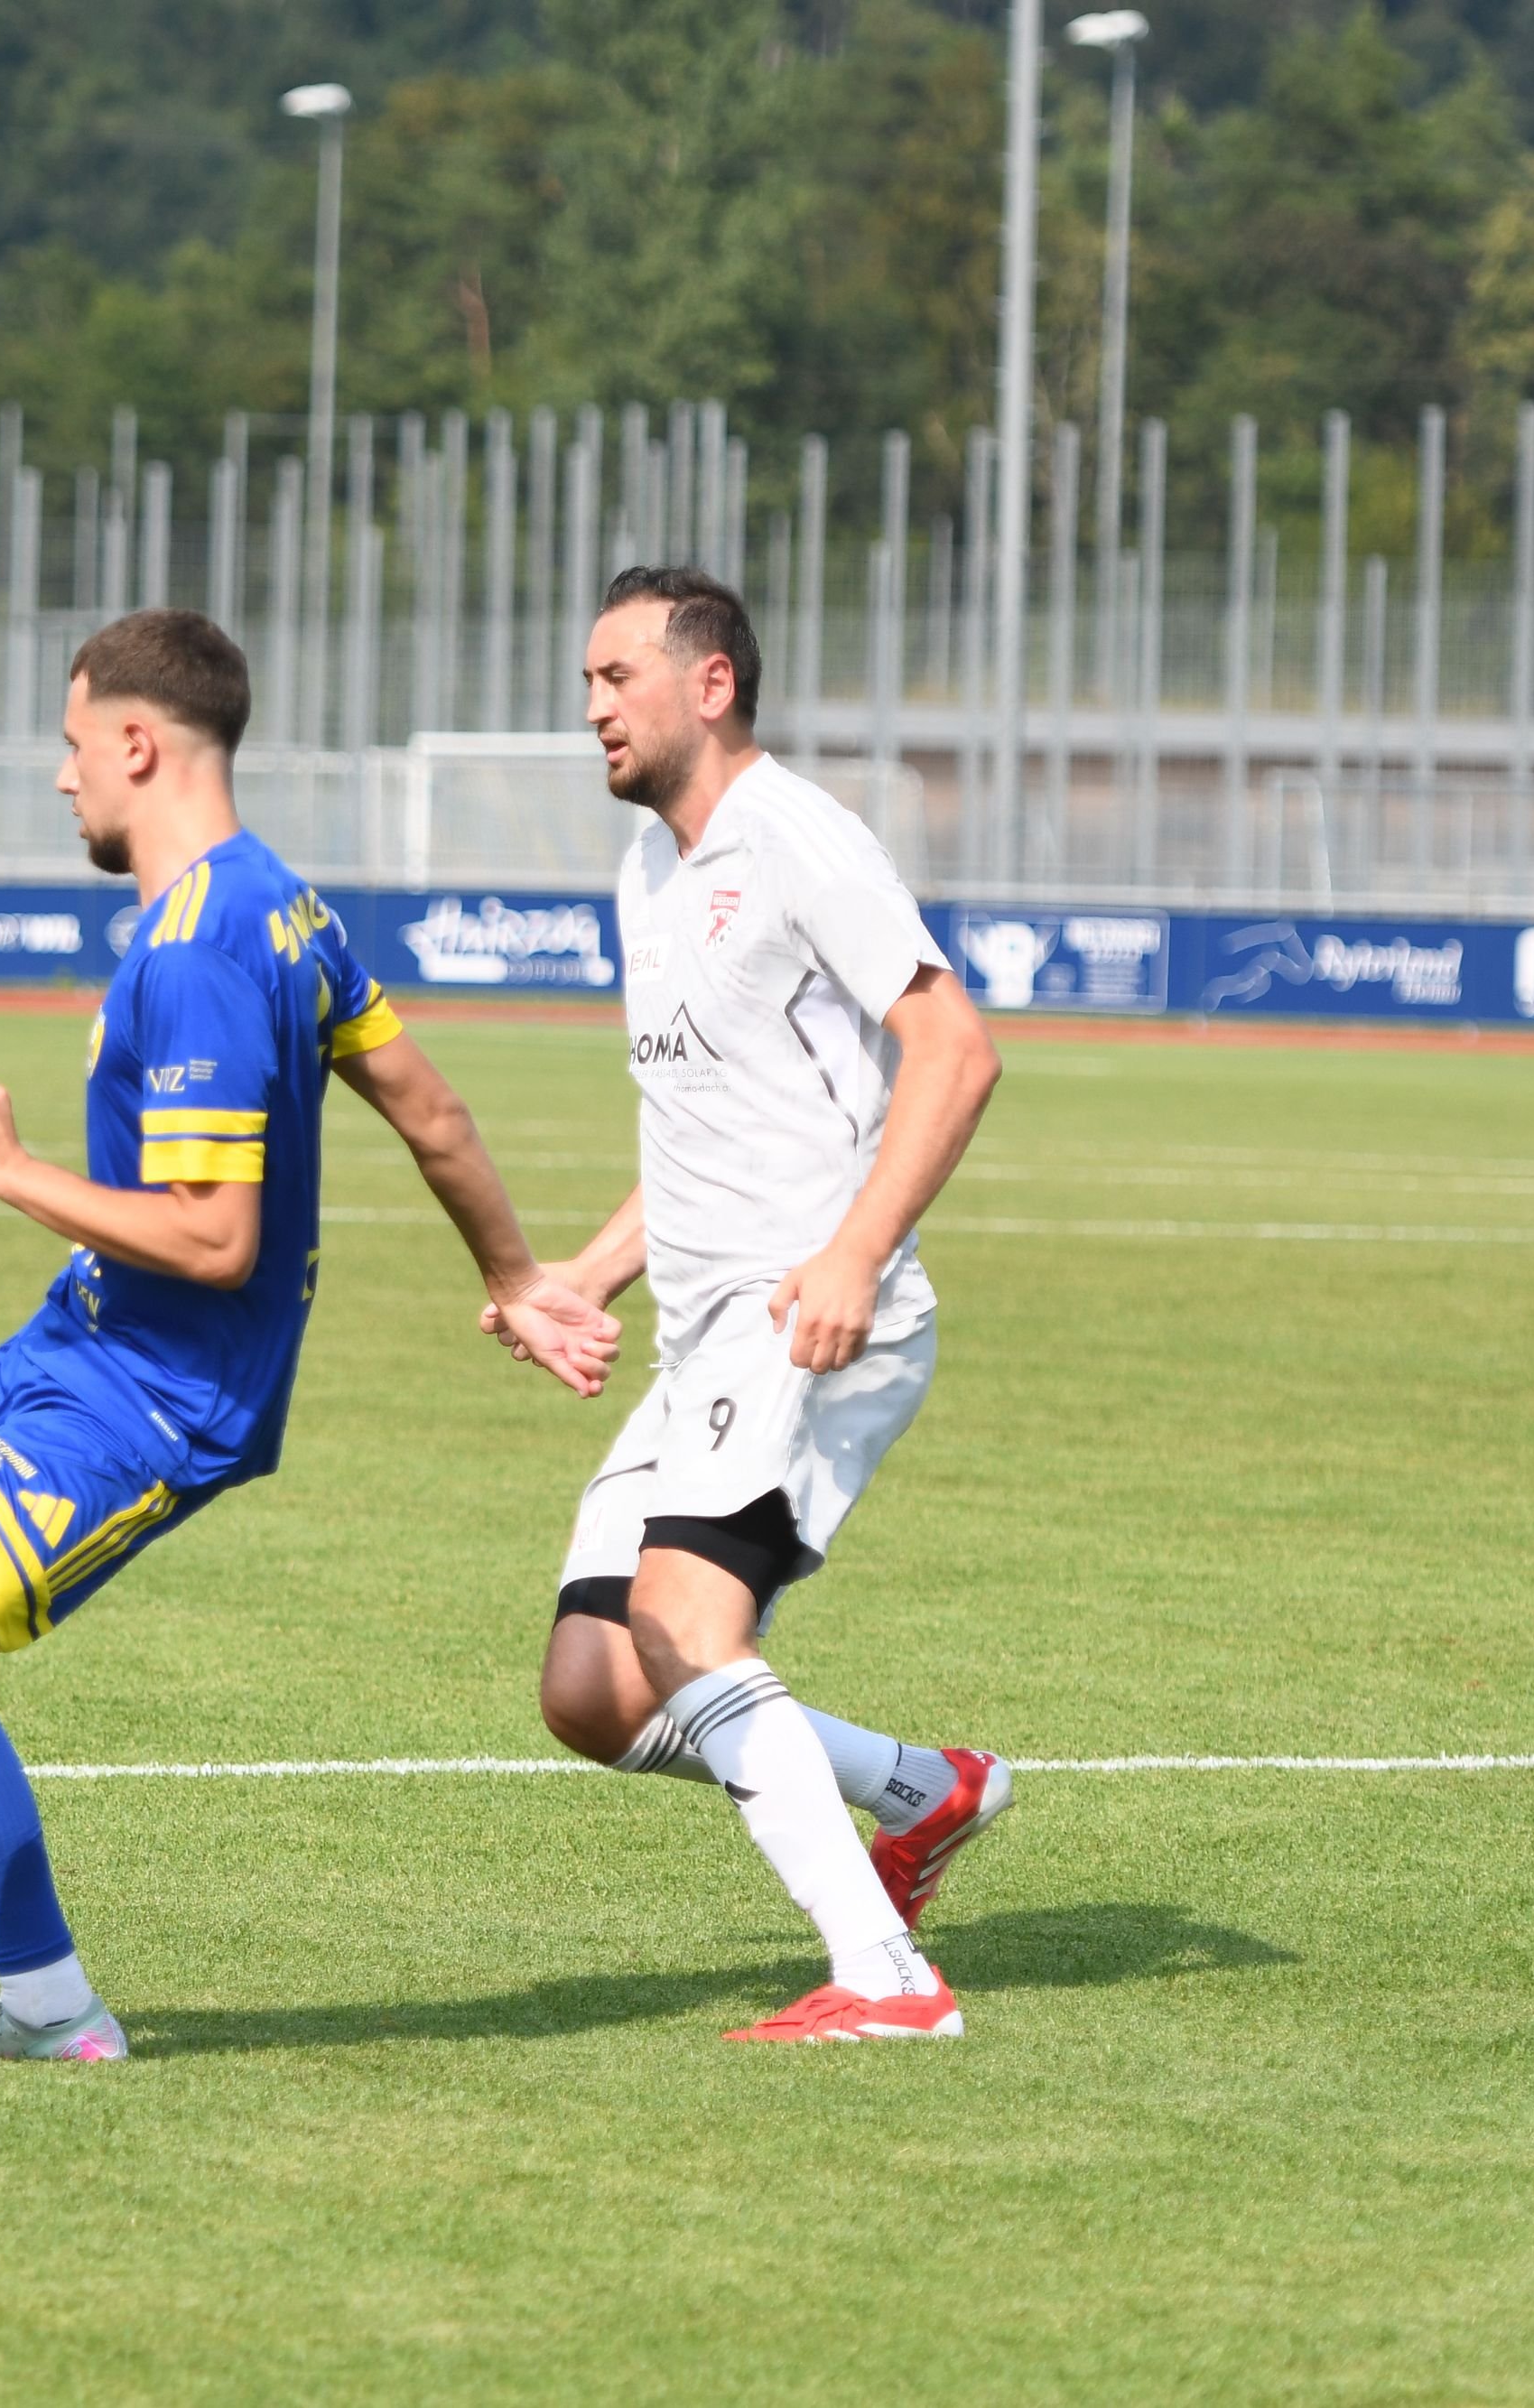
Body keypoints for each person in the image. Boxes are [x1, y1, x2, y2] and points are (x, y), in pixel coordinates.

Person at [0, 609, 616, 2077]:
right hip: (86, 1341)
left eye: (73, 743)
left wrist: (8, 1167)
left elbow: (217, 1237)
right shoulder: (275, 900)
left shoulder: (211, 945)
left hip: (158, 1395)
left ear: (140, 743)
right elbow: (432, 1110)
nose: (61, 779)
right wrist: (518, 1272)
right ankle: (48, 2006)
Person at [494, 566, 1007, 2044]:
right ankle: (926, 1789)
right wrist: (584, 1277)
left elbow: (954, 1050)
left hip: (808, 1321)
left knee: (683, 1618)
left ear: (708, 685)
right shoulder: (647, 871)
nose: (590, 704)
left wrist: (852, 1257)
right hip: (701, 1334)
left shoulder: (796, 840)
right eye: (586, 680)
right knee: (594, 1685)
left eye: (615, 677)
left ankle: (887, 1980)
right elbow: (710, 1131)